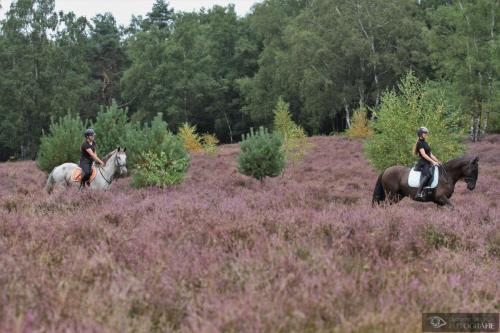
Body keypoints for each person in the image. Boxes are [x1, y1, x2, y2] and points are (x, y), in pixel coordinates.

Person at [412, 127, 441, 199]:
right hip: (423, 163)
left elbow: (430, 154)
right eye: (424, 133)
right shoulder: (419, 143)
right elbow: (424, 155)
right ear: (420, 134)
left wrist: (437, 161)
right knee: (428, 175)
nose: (425, 134)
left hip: (428, 162)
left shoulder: (425, 143)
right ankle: (418, 193)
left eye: (426, 133)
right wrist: (433, 162)